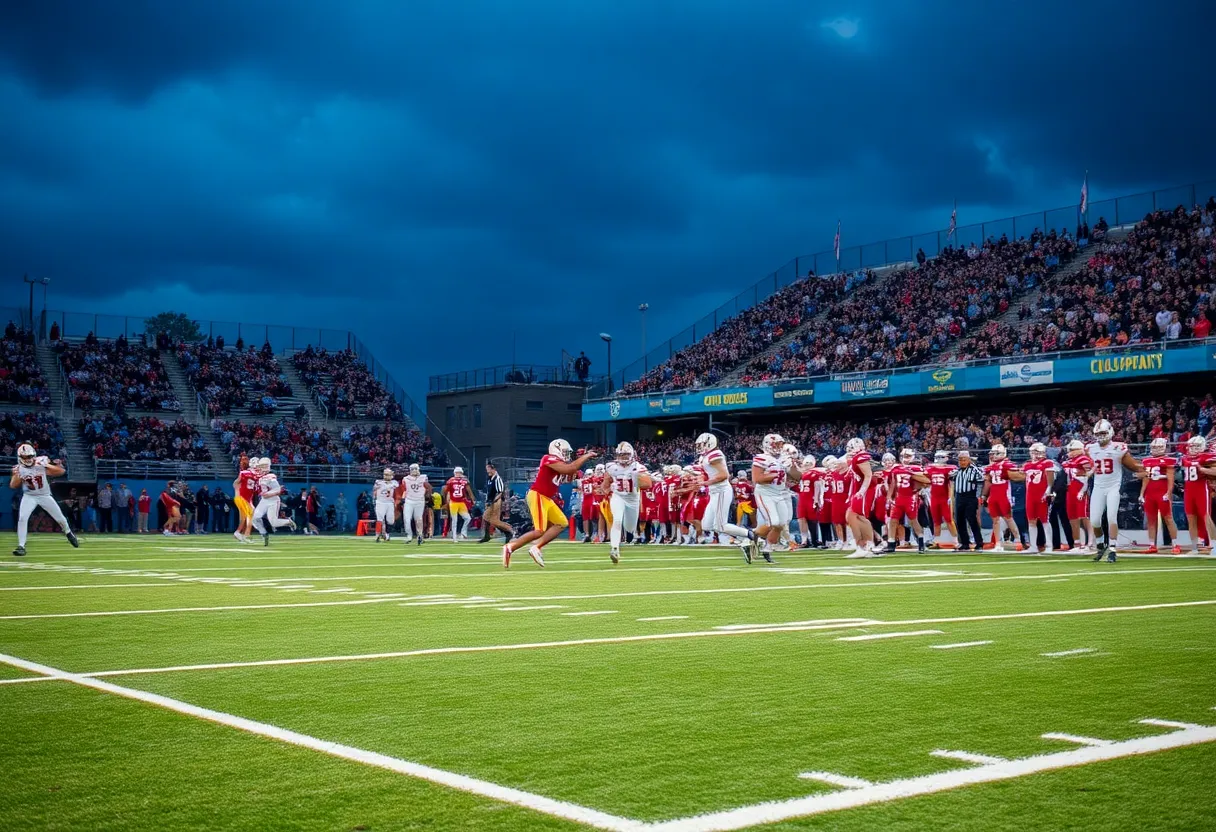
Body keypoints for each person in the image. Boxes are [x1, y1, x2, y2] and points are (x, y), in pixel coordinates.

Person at [502, 439, 596, 568]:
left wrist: (575, 470)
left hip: (546, 498)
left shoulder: (560, 463)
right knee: (539, 530)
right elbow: (570, 468)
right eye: (565, 452)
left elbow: (569, 475)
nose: (567, 455)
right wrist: (586, 456)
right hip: (538, 495)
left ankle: (536, 547)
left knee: (561, 523)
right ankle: (510, 547)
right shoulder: (548, 458)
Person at [1085, 419, 1142, 562]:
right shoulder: (1090, 448)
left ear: (1110, 432)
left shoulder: (1118, 448)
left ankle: (1112, 549)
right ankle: (1100, 545)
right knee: (1095, 521)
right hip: (1098, 487)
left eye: (1103, 433)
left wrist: (1144, 469)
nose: (1100, 436)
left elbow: (1133, 465)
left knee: (1111, 518)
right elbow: (1087, 466)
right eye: (1098, 434)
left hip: (1113, 487)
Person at [694, 432, 757, 559]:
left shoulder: (714, 455)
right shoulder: (707, 456)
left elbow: (724, 475)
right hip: (714, 492)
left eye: (702, 444)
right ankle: (747, 538)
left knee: (721, 525)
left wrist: (705, 482)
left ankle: (751, 536)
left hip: (721, 491)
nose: (700, 447)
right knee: (706, 524)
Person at [10, 444, 78, 556]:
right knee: (22, 518)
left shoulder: (40, 462)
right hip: (29, 496)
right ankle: (21, 546)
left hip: (45, 495)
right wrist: (16, 475)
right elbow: (13, 485)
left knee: (59, 517)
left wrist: (48, 465)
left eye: (29, 456)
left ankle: (68, 533)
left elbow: (61, 472)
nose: (28, 459)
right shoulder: (19, 469)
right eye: (25, 457)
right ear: (20, 457)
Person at [751, 433, 798, 562]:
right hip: (765, 493)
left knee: (781, 524)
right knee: (773, 522)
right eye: (776, 444)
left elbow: (798, 477)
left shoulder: (783, 457)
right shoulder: (761, 458)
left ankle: (767, 548)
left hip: (781, 494)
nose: (779, 447)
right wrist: (774, 474)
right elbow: (757, 479)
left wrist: (792, 465)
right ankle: (748, 539)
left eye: (780, 444)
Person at [1139, 437, 1181, 555]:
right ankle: (1152, 545)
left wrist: (1168, 493)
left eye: (1158, 447)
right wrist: (1142, 493)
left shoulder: (1168, 460)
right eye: (1154, 447)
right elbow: (1146, 478)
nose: (1156, 449)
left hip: (1161, 490)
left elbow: (1170, 478)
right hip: (1150, 492)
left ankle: (1175, 544)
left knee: (1168, 518)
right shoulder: (1147, 461)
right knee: (1151, 520)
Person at [981, 444, 1026, 552]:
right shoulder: (990, 467)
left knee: (1008, 518)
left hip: (1004, 494)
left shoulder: (1007, 464)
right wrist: (984, 496)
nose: (993, 456)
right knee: (995, 520)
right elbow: (988, 481)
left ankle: (1018, 540)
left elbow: (1019, 475)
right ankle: (998, 543)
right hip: (994, 494)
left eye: (995, 453)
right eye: (992, 454)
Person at [886, 448, 930, 553]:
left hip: (911, 497)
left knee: (913, 521)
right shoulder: (896, 468)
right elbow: (892, 484)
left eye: (907, 457)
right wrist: (889, 497)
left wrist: (913, 476)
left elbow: (927, 481)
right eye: (903, 457)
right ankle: (891, 543)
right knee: (893, 520)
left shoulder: (916, 468)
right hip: (898, 497)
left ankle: (921, 542)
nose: (905, 459)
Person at [1179, 436, 1216, 555]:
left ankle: (1214, 545)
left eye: (1196, 446)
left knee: (1206, 517)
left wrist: (1203, 470)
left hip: (1201, 488)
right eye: (1191, 446)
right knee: (1191, 518)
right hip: (1189, 489)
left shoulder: (1206, 456)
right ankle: (1195, 547)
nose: (1193, 448)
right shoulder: (1184, 458)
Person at [842, 437, 876, 558]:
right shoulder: (855, 458)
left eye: (851, 447)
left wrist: (862, 491)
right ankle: (866, 546)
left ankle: (863, 546)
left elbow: (868, 475)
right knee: (855, 517)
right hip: (860, 490)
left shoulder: (861, 457)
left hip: (865, 490)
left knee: (854, 516)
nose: (849, 450)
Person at [1021, 443, 1056, 553]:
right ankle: (1033, 546)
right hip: (1030, 495)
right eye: (1032, 452)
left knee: (1045, 520)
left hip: (1042, 494)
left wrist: (1048, 490)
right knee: (1031, 521)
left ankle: (1049, 545)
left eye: (1036, 451)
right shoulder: (1027, 464)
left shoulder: (1047, 463)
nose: (1033, 454)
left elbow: (1050, 478)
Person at [251, 458, 296, 544]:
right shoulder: (259, 477)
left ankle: (288, 522)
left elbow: (278, 489)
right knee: (255, 518)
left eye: (261, 466)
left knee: (274, 523)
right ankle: (264, 533)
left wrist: (269, 494)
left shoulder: (270, 477)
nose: (259, 469)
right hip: (264, 500)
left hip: (273, 500)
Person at [1061, 440, 1095, 553]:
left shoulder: (1083, 459)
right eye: (1069, 450)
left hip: (1081, 489)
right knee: (1072, 517)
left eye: (1072, 450)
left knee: (1084, 516)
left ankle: (1089, 543)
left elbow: (1087, 476)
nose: (1070, 452)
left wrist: (1083, 490)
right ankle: (1077, 543)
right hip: (1071, 489)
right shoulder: (1069, 461)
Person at [951, 451, 984, 551]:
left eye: (964, 460)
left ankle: (979, 542)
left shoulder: (974, 470)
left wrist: (978, 496)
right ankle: (964, 543)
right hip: (959, 496)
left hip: (970, 496)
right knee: (959, 520)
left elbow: (980, 481)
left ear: (969, 460)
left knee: (971, 519)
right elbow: (951, 479)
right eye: (960, 460)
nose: (962, 462)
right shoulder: (957, 471)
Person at [925, 450, 958, 548]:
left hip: (944, 497)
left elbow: (951, 484)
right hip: (934, 497)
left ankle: (956, 541)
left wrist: (950, 496)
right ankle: (937, 541)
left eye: (941, 457)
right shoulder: (930, 468)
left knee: (949, 520)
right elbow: (925, 479)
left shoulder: (950, 468)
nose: (939, 459)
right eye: (938, 457)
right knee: (936, 520)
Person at [479, 461, 513, 543]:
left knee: (494, 520)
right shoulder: (489, 478)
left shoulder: (497, 479)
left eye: (489, 469)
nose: (487, 471)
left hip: (496, 501)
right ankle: (487, 536)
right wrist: (487, 501)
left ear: (493, 469)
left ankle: (509, 530)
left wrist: (493, 501)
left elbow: (500, 492)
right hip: (491, 501)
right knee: (486, 518)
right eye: (487, 469)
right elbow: (488, 491)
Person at [443, 467, 475, 541]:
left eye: (459, 472)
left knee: (468, 518)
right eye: (457, 472)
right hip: (454, 502)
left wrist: (472, 499)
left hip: (461, 502)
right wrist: (447, 501)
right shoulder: (452, 481)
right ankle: (454, 537)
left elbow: (469, 490)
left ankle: (463, 533)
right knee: (455, 520)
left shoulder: (462, 481)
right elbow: (446, 491)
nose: (458, 474)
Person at [233, 455, 259, 543]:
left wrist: (237, 491)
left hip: (245, 497)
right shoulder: (254, 474)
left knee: (245, 516)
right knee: (250, 514)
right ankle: (246, 535)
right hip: (244, 497)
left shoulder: (244, 473)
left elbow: (235, 483)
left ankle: (238, 533)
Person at [373, 467, 399, 542]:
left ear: (392, 475)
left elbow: (398, 491)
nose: (386, 476)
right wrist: (374, 499)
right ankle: (377, 535)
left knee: (390, 521)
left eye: (388, 474)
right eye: (385, 474)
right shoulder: (378, 482)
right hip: (380, 502)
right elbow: (374, 490)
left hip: (390, 503)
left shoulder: (395, 483)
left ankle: (386, 533)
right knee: (379, 519)